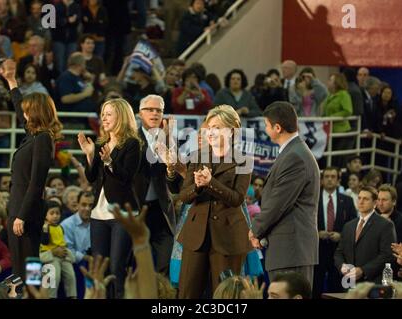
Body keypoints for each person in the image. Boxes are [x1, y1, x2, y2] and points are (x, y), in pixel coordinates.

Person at [177, 105, 252, 298]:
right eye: (209, 127)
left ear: (232, 131)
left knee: (226, 295)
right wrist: (198, 187)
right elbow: (184, 196)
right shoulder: (197, 156)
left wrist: (211, 183)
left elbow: (237, 199)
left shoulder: (243, 160)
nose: (211, 132)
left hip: (228, 236)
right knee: (187, 292)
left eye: (217, 127)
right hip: (196, 236)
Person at [0, 59, 63, 280]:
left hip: (26, 212)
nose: (24, 115)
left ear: (35, 112)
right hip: (18, 207)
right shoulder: (34, 136)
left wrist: (21, 216)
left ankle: (34, 294)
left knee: (29, 268)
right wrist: (11, 82)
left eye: (28, 111)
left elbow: (37, 182)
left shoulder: (44, 138)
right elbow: (19, 108)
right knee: (21, 268)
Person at [250, 101, 320, 286]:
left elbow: (277, 203)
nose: (265, 129)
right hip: (288, 250)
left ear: (278, 127)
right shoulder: (293, 152)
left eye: (266, 125)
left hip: (291, 252)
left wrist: (254, 230)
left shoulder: (294, 157)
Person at [78, 97, 142, 299]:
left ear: (121, 116)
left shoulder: (132, 144)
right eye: (102, 114)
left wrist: (109, 161)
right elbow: (91, 178)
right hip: (99, 214)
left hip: (122, 213)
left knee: (116, 266)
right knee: (99, 267)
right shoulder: (101, 143)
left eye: (108, 114)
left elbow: (126, 177)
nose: (103, 118)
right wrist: (90, 156)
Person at [134, 95, 180, 275]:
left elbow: (175, 183)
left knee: (165, 266)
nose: (155, 113)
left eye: (159, 110)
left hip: (162, 211)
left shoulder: (170, 140)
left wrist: (167, 142)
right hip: (137, 210)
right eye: (150, 109)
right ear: (140, 114)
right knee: (137, 267)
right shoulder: (131, 138)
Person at [334, 186, 397, 284]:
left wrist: (363, 270)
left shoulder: (385, 225)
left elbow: (387, 255)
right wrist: (342, 266)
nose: (361, 201)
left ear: (375, 203)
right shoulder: (348, 226)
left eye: (366, 199)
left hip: (372, 283)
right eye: (359, 198)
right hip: (349, 282)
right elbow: (339, 252)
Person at [313, 167, 356, 298]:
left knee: (336, 289)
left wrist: (341, 236)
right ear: (322, 180)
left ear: (338, 180)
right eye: (327, 176)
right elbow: (305, 222)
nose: (330, 179)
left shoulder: (347, 200)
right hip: (317, 250)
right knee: (315, 287)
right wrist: (316, 234)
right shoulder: (313, 199)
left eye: (333, 177)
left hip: (339, 251)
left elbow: (353, 225)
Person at [39, 200, 76, 299]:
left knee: (71, 276)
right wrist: (45, 228)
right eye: (52, 213)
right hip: (51, 256)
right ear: (45, 215)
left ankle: (72, 295)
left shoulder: (60, 227)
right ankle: (50, 296)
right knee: (54, 276)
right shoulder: (44, 228)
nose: (55, 216)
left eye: (57, 213)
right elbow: (44, 242)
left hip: (63, 255)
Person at [61, 191, 94, 299]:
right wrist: (86, 257)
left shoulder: (99, 223)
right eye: (84, 205)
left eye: (90, 205)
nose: (87, 208)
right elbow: (67, 250)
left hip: (94, 263)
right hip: (74, 265)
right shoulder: (67, 224)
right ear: (78, 205)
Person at [322, 73, 354, 168]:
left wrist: (332, 117)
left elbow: (348, 110)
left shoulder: (344, 95)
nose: (328, 82)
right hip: (330, 131)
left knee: (338, 158)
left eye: (330, 80)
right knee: (328, 157)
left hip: (341, 131)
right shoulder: (330, 95)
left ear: (336, 82)